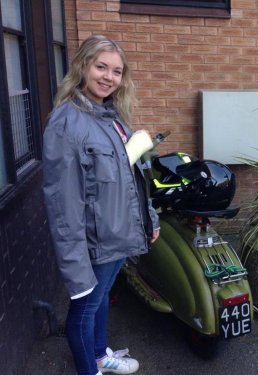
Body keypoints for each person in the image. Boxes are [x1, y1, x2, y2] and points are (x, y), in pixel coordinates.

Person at [43, 35, 160, 375]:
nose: (109, 77)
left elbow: (133, 177)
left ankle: (99, 355)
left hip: (118, 235)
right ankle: (89, 370)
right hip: (94, 241)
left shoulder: (112, 118)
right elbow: (63, 203)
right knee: (84, 308)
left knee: (101, 301)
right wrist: (74, 263)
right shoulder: (67, 122)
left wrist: (148, 219)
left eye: (117, 71)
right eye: (101, 67)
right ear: (82, 66)